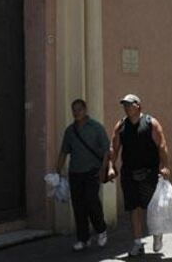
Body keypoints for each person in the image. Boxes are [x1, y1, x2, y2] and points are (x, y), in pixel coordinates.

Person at [106, 94, 170, 257]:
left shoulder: (150, 123)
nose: (126, 108)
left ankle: (156, 234)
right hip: (129, 173)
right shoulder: (121, 125)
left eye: (129, 105)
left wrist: (164, 166)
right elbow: (114, 148)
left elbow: (162, 145)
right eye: (124, 105)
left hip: (149, 172)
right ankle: (137, 243)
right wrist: (111, 167)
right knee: (133, 208)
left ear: (138, 106)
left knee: (151, 206)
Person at [56, 98, 110, 251]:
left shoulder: (96, 128)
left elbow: (107, 150)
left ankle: (101, 230)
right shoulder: (70, 131)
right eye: (74, 110)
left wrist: (103, 169)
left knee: (92, 202)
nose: (76, 112)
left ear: (85, 110)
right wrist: (57, 171)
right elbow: (64, 151)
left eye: (79, 109)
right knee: (78, 206)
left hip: (92, 172)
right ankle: (83, 238)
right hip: (75, 173)